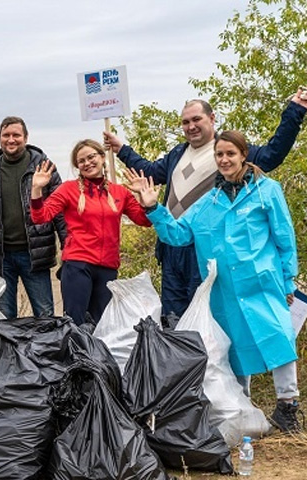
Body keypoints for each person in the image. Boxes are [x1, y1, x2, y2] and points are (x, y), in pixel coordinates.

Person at [134, 130, 300, 432]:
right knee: (233, 346)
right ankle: (242, 406)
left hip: (263, 282)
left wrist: (288, 281)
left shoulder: (267, 190)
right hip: (224, 290)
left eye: (230, 154)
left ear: (243, 155)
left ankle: (288, 406)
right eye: (219, 155)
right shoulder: (207, 203)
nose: (224, 160)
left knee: (279, 336)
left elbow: (284, 238)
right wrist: (152, 208)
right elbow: (177, 234)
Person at [103, 89, 307, 318]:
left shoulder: (226, 151)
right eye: (185, 122)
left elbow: (272, 154)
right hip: (172, 245)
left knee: (206, 318)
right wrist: (122, 150)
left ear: (212, 118)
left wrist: (295, 111)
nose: (191, 126)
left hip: (205, 248)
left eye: (196, 119)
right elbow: (149, 171)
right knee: (173, 318)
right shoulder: (177, 154)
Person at [30, 140, 151, 326]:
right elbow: (41, 217)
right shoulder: (68, 189)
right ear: (77, 166)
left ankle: (97, 356)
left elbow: (144, 220)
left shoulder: (120, 192)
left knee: (103, 325)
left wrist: (146, 199)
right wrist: (37, 189)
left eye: (91, 157)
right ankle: (75, 356)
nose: (87, 163)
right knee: (75, 325)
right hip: (78, 265)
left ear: (102, 157)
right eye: (81, 161)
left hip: (108, 267)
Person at [0, 116, 66, 318]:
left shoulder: (45, 170)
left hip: (35, 254)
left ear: (26, 137)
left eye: (16, 135)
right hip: (1, 256)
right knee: (4, 317)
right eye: (6, 135)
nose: (11, 139)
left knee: (45, 314)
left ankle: (46, 350)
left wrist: (69, 249)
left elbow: (59, 212)